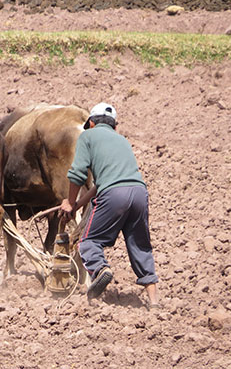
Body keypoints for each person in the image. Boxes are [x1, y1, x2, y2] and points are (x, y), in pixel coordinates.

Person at [59, 102, 160, 308]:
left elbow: (78, 174)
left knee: (88, 241)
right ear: (114, 127)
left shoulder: (88, 136)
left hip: (114, 195)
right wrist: (77, 205)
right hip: (139, 193)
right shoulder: (122, 141)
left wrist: (68, 202)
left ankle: (100, 269)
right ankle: (154, 301)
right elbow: (99, 183)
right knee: (139, 245)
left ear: (92, 123)